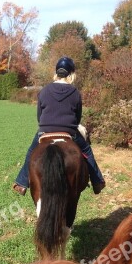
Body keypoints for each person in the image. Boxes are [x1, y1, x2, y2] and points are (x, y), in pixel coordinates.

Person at [13, 56, 106, 196]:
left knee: (31, 151)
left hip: (45, 130)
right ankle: (97, 181)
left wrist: (46, 126)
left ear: (57, 73)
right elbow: (78, 116)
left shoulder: (44, 90)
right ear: (71, 74)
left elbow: (39, 115)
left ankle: (21, 183)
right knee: (86, 150)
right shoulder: (75, 93)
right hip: (69, 131)